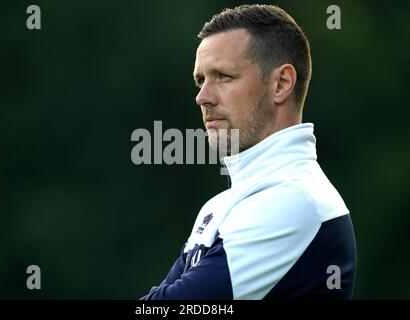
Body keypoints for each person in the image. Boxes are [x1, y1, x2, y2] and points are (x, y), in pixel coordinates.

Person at [141, 4, 356, 300]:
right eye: (200, 80)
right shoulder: (220, 206)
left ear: (281, 84)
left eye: (223, 76)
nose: (202, 97)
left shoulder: (293, 199)